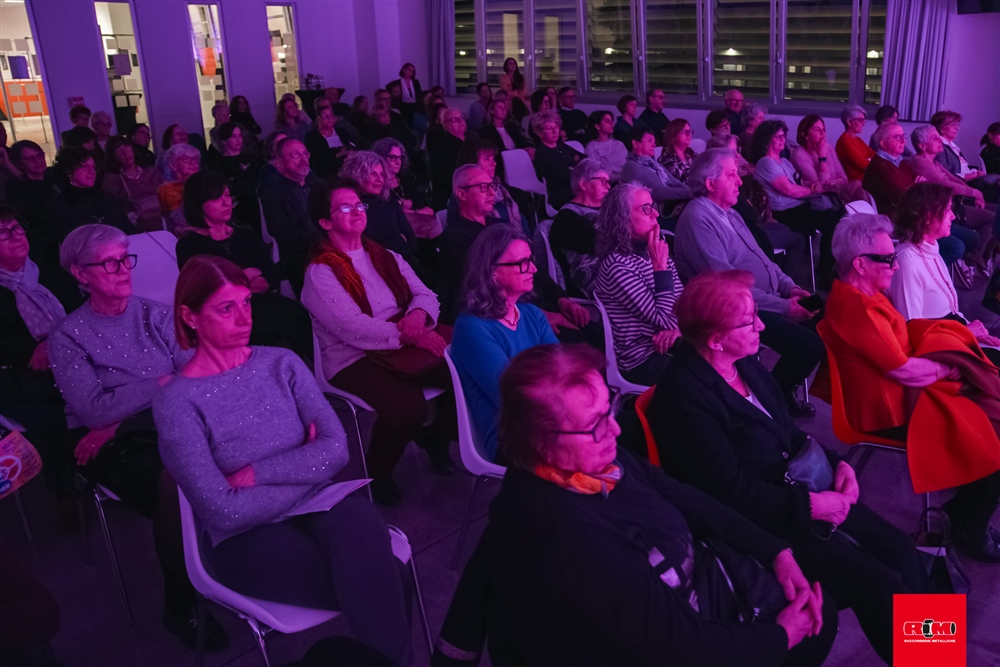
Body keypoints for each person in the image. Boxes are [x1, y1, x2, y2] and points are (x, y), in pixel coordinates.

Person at [434, 343, 836, 667]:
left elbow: (689, 499)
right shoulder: (568, 536)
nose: (615, 427)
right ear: (543, 445)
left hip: (699, 580)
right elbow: (680, 646)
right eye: (594, 425)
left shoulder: (595, 464)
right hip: (673, 635)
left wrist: (775, 551)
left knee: (840, 589)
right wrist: (781, 635)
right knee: (823, 618)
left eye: (609, 406)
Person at [650, 270, 929, 664]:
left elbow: (789, 432)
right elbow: (728, 492)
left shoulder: (744, 365)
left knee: (901, 549)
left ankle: (940, 651)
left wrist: (837, 465)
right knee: (880, 584)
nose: (761, 326)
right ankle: (930, 657)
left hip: (805, 488)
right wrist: (811, 506)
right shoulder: (684, 398)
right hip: (766, 523)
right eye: (748, 321)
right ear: (714, 340)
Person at [154, 255, 410, 665]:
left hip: (319, 502)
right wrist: (306, 465)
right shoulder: (177, 401)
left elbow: (336, 448)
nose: (244, 318)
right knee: (389, 579)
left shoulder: (281, 362)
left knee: (362, 524)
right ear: (190, 316)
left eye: (246, 302)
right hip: (244, 535)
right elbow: (223, 511)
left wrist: (258, 472)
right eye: (226, 308)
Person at [48, 224, 227, 649]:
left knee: (239, 443)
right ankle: (180, 600)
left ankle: (242, 562)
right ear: (80, 273)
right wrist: (162, 382)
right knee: (176, 478)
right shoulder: (68, 337)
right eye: (109, 263)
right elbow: (92, 410)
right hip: (113, 445)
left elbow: (196, 374)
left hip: (156, 422)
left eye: (125, 259)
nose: (123, 270)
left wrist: (122, 415)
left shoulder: (156, 314)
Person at [822, 213, 1000, 561]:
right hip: (889, 409)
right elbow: (904, 370)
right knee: (992, 426)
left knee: (990, 409)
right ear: (860, 264)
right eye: (888, 259)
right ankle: (971, 526)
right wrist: (950, 366)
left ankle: (963, 515)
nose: (896, 265)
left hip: (898, 395)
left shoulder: (861, 293)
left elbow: (901, 343)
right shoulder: (858, 308)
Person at [301, 179, 455, 506]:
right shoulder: (321, 272)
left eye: (359, 205)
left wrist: (417, 317)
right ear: (325, 222)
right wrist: (413, 333)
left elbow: (425, 294)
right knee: (406, 407)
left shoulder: (384, 255)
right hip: (351, 357)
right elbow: (351, 327)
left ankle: (436, 439)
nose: (357, 211)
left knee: (463, 374)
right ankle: (378, 474)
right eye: (345, 207)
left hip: (404, 339)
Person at [675, 149, 822, 416]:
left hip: (764, 299)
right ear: (710, 183)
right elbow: (727, 286)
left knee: (822, 316)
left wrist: (790, 287)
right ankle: (772, 400)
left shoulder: (730, 213)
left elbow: (764, 261)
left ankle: (774, 393)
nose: (740, 180)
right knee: (808, 345)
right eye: (731, 175)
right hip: (735, 311)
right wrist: (784, 307)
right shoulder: (698, 218)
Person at [450, 225, 559, 461]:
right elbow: (514, 401)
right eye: (523, 263)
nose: (533, 268)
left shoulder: (532, 314)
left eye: (531, 260)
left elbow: (564, 370)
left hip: (557, 422)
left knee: (629, 431)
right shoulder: (472, 328)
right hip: (513, 440)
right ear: (492, 272)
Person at [176, 171, 312, 361]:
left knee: (295, 316)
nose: (226, 203)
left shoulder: (245, 234)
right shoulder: (189, 245)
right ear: (199, 204)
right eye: (216, 198)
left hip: (263, 305)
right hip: (225, 317)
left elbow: (271, 277)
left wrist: (235, 282)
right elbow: (208, 293)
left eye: (227, 196)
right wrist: (247, 277)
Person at [440, 164, 586, 335]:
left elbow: (534, 265)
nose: (492, 193)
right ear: (461, 194)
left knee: (594, 331)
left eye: (492, 186)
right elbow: (483, 290)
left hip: (541, 303)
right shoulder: (453, 239)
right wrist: (537, 315)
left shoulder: (500, 227)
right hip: (513, 319)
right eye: (483, 187)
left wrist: (561, 299)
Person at [0, 206, 75, 504]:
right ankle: (66, 492)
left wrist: (51, 344)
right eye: (4, 233)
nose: (16, 235)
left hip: (69, 359)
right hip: (17, 376)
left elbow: (81, 316)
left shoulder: (50, 274)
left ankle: (110, 462)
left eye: (18, 228)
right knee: (54, 415)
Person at [887, 182, 1000, 364]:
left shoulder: (931, 248)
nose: (953, 216)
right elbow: (911, 331)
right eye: (948, 210)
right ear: (927, 217)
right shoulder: (907, 261)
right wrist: (966, 333)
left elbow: (951, 312)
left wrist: (972, 330)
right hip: (941, 350)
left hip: (954, 338)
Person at [593, 182, 683, 386]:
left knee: (727, 345)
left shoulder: (655, 252)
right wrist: (660, 268)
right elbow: (666, 319)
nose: (656, 214)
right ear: (622, 220)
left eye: (653, 206)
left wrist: (680, 331)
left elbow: (685, 305)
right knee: (713, 361)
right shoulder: (617, 265)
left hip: (673, 343)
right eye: (646, 208)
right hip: (643, 359)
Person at [752, 120, 844, 284]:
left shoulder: (784, 162)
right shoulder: (765, 163)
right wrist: (813, 190)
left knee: (838, 215)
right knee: (833, 221)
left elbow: (799, 183)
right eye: (778, 136)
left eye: (784, 136)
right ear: (766, 139)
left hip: (798, 206)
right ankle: (825, 273)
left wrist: (811, 184)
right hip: (783, 212)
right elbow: (789, 190)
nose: (783, 139)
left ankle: (829, 268)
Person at [905, 124, 995, 275]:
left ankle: (978, 258)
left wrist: (975, 194)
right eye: (935, 138)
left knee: (995, 214)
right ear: (922, 146)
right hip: (943, 210)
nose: (940, 140)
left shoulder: (934, 162)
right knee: (990, 220)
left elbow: (953, 179)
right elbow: (944, 184)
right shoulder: (919, 162)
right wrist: (973, 193)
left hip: (952, 204)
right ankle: (971, 261)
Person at [258, 137, 321, 295]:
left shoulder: (319, 185)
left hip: (332, 249)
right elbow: (283, 234)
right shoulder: (273, 193)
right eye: (295, 155)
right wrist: (323, 237)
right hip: (302, 257)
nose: (303, 159)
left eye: (305, 154)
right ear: (279, 162)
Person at [339, 151, 419, 267]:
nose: (380, 179)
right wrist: (399, 240)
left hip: (406, 265)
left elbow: (412, 241)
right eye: (373, 174)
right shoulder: (352, 210)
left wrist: (393, 250)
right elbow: (365, 253)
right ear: (357, 175)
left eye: (382, 174)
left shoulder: (391, 203)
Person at [548, 159, 611, 299]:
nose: (608, 186)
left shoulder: (608, 209)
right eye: (602, 181)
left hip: (617, 270)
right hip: (597, 281)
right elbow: (603, 245)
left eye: (608, 182)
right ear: (583, 184)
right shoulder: (567, 217)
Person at [791, 114, 869, 205]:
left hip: (840, 189)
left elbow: (843, 177)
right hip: (826, 198)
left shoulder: (829, 147)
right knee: (860, 190)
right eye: (817, 129)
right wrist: (822, 158)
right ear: (805, 135)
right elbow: (821, 187)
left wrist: (834, 182)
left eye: (823, 129)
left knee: (865, 188)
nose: (823, 133)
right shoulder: (799, 155)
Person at [54, 147, 132, 234]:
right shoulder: (61, 205)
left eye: (93, 167)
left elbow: (127, 229)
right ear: (69, 170)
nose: (92, 172)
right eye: (85, 167)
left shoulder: (106, 198)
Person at [621, 126, 691, 214]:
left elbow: (676, 183)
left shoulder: (656, 165)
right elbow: (656, 192)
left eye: (654, 142)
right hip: (650, 213)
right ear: (635, 143)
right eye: (649, 141)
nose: (654, 145)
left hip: (668, 208)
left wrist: (691, 191)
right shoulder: (630, 166)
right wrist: (690, 193)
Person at [206, 122, 263, 229]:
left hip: (254, 202)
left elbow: (258, 181)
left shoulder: (252, 158)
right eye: (233, 136)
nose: (238, 140)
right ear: (224, 140)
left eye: (240, 136)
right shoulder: (217, 162)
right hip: (235, 206)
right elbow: (227, 186)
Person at [102, 135, 165, 232]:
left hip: (163, 214)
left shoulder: (151, 172)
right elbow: (111, 207)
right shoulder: (112, 179)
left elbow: (167, 193)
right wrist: (137, 217)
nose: (125, 153)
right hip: (138, 223)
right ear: (113, 157)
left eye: (127, 147)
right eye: (119, 150)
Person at [931, 110, 998, 198]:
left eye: (957, 125)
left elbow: (963, 168)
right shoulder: (940, 147)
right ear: (942, 128)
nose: (957, 129)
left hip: (969, 181)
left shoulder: (953, 147)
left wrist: (975, 173)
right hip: (960, 186)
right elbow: (946, 176)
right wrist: (975, 175)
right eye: (953, 125)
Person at [862, 121, 917, 222]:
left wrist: (912, 188)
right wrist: (915, 187)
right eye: (898, 137)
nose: (903, 141)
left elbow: (921, 184)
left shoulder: (902, 162)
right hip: (894, 220)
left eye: (904, 136)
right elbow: (902, 196)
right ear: (883, 143)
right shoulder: (879, 167)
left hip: (908, 214)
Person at [532, 111, 586, 210]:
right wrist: (574, 165)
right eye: (549, 128)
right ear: (540, 133)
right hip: (560, 194)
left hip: (574, 187)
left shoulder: (561, 146)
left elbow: (584, 158)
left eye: (556, 127)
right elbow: (561, 175)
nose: (554, 131)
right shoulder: (541, 153)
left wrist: (572, 167)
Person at [372, 137, 432, 221]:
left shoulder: (404, 177)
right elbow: (387, 211)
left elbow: (421, 201)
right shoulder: (377, 182)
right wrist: (416, 212)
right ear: (381, 157)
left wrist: (409, 203)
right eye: (393, 157)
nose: (398, 162)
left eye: (400, 157)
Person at [157, 143, 201, 235]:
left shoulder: (203, 183)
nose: (192, 163)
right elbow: (180, 220)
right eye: (186, 159)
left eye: (196, 160)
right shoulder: (167, 189)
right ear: (172, 164)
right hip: (181, 234)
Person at [430, 108, 468, 211]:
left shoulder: (472, 140)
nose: (460, 121)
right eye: (454, 119)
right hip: (452, 195)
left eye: (461, 117)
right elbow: (447, 177)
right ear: (446, 126)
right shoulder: (441, 147)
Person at [304, 101, 351, 177]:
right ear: (318, 119)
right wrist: (337, 154)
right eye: (325, 116)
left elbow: (352, 143)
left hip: (347, 165)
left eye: (330, 115)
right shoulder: (312, 136)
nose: (329, 118)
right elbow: (316, 158)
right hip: (327, 171)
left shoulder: (342, 132)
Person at [835, 105, 876, 182]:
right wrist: (868, 159)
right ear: (849, 122)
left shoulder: (858, 139)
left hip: (868, 178)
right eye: (860, 120)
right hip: (856, 182)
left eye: (864, 120)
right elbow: (865, 165)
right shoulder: (844, 141)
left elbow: (875, 155)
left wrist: (868, 159)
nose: (863, 123)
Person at [585, 110, 627, 181]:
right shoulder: (591, 147)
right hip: (606, 182)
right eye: (607, 121)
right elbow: (594, 172)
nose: (612, 123)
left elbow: (628, 165)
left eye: (612, 121)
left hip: (625, 181)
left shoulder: (619, 144)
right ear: (597, 126)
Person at [658, 118, 697, 183]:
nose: (689, 134)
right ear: (673, 136)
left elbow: (703, 166)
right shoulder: (667, 158)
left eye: (689, 131)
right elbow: (682, 181)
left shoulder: (690, 152)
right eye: (684, 132)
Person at [391, 62, 422, 127]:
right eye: (409, 70)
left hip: (415, 105)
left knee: (416, 123)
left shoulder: (415, 82)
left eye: (412, 71)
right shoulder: (397, 82)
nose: (410, 72)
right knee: (407, 124)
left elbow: (419, 94)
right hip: (404, 106)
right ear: (403, 70)